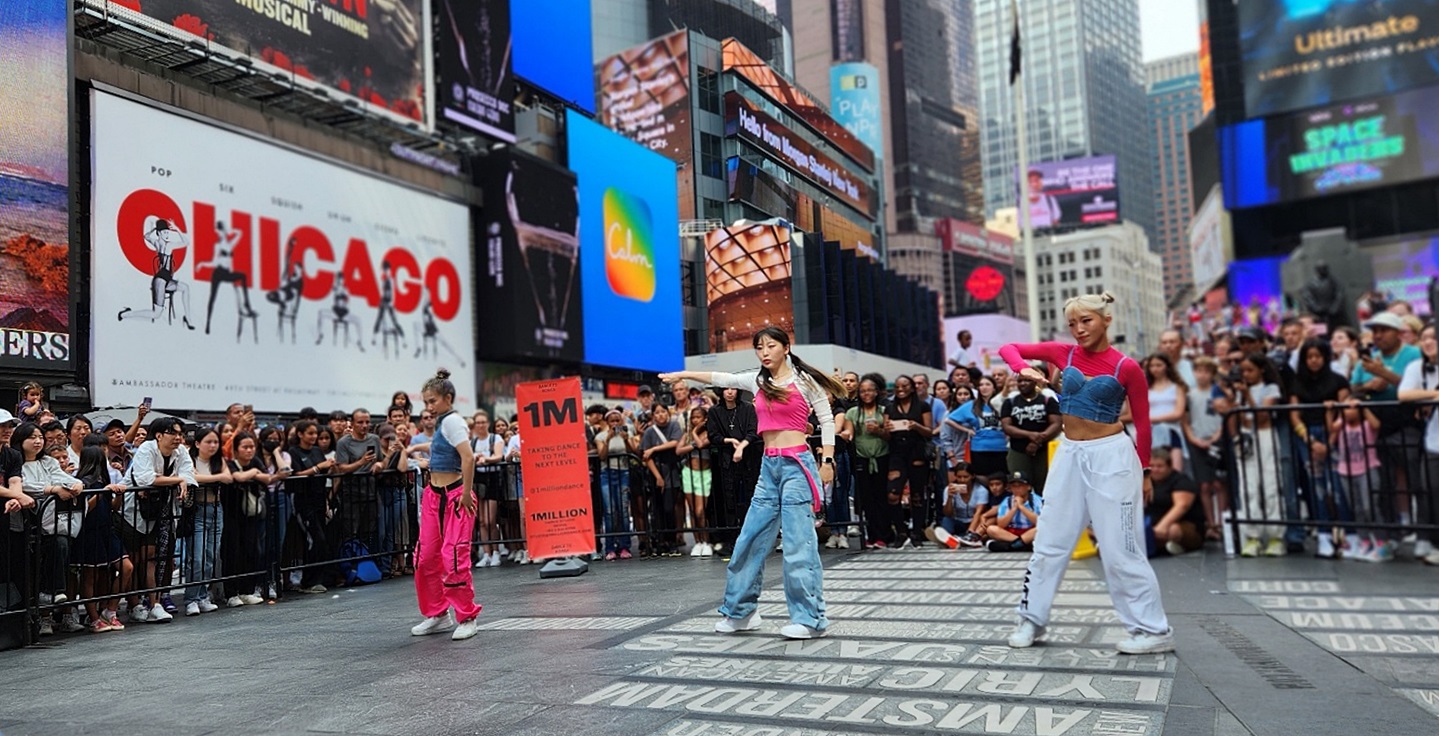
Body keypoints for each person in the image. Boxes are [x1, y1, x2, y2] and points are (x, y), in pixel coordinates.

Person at [996, 292, 1175, 654]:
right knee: (1049, 539)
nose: (1078, 330)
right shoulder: (1065, 353)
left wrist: (1144, 472)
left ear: (1106, 320)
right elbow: (1009, 348)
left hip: (1113, 457)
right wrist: (1023, 369)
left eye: (1086, 321)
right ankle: (1030, 619)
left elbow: (1142, 422)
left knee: (1120, 546)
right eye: (1072, 323)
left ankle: (1152, 629)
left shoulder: (1127, 367)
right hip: (1069, 453)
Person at [661, 326, 845, 640]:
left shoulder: (803, 380)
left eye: (770, 345)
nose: (764, 352)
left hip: (798, 464)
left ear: (785, 348)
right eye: (759, 347)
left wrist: (827, 459)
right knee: (749, 539)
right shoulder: (757, 381)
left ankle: (810, 619)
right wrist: (685, 374)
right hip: (769, 466)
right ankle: (741, 612)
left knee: (799, 544)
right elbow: (722, 379)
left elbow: (826, 419)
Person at [409, 369, 482, 642]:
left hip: (455, 496)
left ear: (447, 398)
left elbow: (468, 458)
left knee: (454, 557)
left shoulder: (453, 422)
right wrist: (415, 450)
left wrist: (465, 493)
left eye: (433, 401)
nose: (428, 407)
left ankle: (467, 616)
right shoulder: (443, 423)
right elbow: (443, 447)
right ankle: (438, 613)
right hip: (434, 495)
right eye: (426, 401)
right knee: (425, 557)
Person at [1289, 338, 1352, 558]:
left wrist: (1330, 442)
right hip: (1307, 436)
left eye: (1318, 356)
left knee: (1338, 487)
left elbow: (1344, 411)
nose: (1314, 361)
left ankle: (1348, 534)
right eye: (1309, 357)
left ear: (1325, 357)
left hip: (1334, 434)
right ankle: (1324, 534)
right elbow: (1294, 415)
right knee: (1317, 489)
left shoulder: (1339, 381)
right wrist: (1309, 440)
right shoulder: (1297, 382)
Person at [1230, 353, 1287, 557]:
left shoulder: (1270, 388)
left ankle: (1275, 536)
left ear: (1261, 369)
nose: (1246, 375)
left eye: (1250, 370)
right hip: (1246, 438)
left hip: (1265, 437)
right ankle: (1252, 536)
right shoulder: (1238, 392)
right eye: (1243, 371)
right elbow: (1240, 419)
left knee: (1270, 486)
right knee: (1249, 488)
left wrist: (1247, 396)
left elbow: (1262, 417)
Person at [1397, 322, 1439, 566]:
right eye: (1424, 338)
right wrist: (1434, 395)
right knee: (1431, 490)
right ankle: (1432, 541)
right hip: (1433, 441)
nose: (1428, 342)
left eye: (1433, 337)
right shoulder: (1417, 367)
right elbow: (1404, 394)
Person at [883, 375, 933, 548]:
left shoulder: (923, 406)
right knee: (892, 494)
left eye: (904, 386)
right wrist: (886, 429)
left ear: (912, 388)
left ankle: (917, 531)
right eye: (897, 386)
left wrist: (916, 426)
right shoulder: (889, 408)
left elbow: (929, 432)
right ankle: (901, 530)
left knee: (917, 495)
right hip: (897, 454)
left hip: (917, 452)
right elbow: (886, 435)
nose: (900, 389)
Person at [1182, 357, 1228, 539]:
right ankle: (1211, 523)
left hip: (1216, 440)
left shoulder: (1218, 393)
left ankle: (1223, 522)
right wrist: (1193, 438)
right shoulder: (1190, 395)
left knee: (1219, 483)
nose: (1202, 375)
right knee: (1204, 485)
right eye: (1199, 371)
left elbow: (1225, 416)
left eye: (1206, 371)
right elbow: (1185, 420)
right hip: (1197, 440)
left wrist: (1217, 436)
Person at [846, 374, 893, 549]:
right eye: (863, 391)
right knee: (866, 499)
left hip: (882, 457)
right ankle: (872, 535)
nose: (866, 394)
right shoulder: (853, 412)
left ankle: (884, 535)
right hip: (862, 459)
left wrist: (879, 430)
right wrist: (844, 434)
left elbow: (889, 435)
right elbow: (849, 433)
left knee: (882, 497)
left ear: (876, 392)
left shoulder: (883, 411)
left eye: (870, 390)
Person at [1000, 374, 1061, 493]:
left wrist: (1038, 440)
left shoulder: (1047, 400)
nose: (1023, 383)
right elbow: (1006, 426)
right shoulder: (1010, 402)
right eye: (1020, 381)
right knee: (1018, 485)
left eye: (1027, 380)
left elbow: (1056, 424)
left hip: (1044, 450)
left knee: (1045, 485)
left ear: (1035, 383)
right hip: (1018, 450)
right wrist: (1029, 435)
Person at [594, 409, 638, 560]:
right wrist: (608, 439)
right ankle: (610, 548)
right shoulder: (600, 436)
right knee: (610, 511)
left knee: (624, 511)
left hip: (623, 473)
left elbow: (634, 451)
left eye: (617, 420)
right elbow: (602, 455)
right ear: (607, 423)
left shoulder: (627, 433)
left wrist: (626, 439)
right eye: (611, 421)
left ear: (621, 422)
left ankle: (625, 546)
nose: (614, 424)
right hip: (607, 474)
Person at [1146, 451, 1204, 556]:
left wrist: (1162, 526)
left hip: (1183, 524)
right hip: (1152, 521)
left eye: (1159, 466)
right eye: (1152, 466)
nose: (1155, 470)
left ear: (1169, 466)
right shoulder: (1147, 482)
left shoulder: (1181, 481)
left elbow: (1182, 505)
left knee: (1173, 530)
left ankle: (1175, 544)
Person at [677, 406, 714, 557]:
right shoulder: (686, 435)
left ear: (704, 419)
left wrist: (693, 433)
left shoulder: (709, 432)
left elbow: (701, 444)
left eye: (698, 417)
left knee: (700, 511)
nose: (695, 420)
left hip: (704, 474)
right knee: (692, 511)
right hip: (688, 472)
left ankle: (706, 541)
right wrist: (690, 437)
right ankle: (697, 541)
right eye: (693, 417)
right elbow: (678, 450)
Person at [984, 471, 1042, 552]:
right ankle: (1022, 544)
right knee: (991, 529)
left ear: (1028, 487)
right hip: (1012, 533)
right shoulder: (1007, 501)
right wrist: (1014, 508)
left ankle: (1011, 546)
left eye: (1020, 486)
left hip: (1029, 531)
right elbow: (1001, 524)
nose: (1017, 489)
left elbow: (1040, 522)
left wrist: (1021, 507)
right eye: (1014, 486)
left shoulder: (1036, 500)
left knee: (1040, 529)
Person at [933, 462, 987, 548]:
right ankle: (952, 539)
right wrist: (950, 497)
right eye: (959, 477)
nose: (962, 480)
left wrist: (970, 532)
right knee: (946, 520)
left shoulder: (980, 490)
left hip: (974, 523)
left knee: (983, 525)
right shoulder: (949, 489)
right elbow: (947, 513)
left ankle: (963, 538)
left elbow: (978, 512)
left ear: (972, 476)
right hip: (959, 522)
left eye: (966, 477)